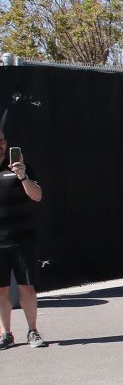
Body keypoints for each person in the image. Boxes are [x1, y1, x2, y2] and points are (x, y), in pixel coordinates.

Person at [0, 126, 47, 349]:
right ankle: (6, 334)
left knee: (26, 287)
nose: (0, 146)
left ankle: (33, 331)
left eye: (1, 141)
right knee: (0, 290)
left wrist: (23, 175)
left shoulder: (20, 167)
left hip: (22, 240)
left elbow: (36, 196)